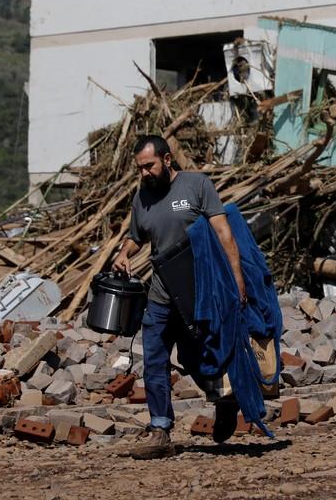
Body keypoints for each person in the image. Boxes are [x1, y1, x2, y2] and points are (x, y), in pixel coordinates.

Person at [112, 135, 246, 459]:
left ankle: (224, 399)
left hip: (195, 295)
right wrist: (123, 252)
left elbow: (222, 231)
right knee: (154, 360)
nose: (144, 173)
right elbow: (136, 236)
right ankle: (160, 430)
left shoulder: (196, 186)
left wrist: (237, 279)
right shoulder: (142, 198)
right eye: (140, 168)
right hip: (159, 294)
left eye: (149, 165)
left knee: (192, 357)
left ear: (167, 159)